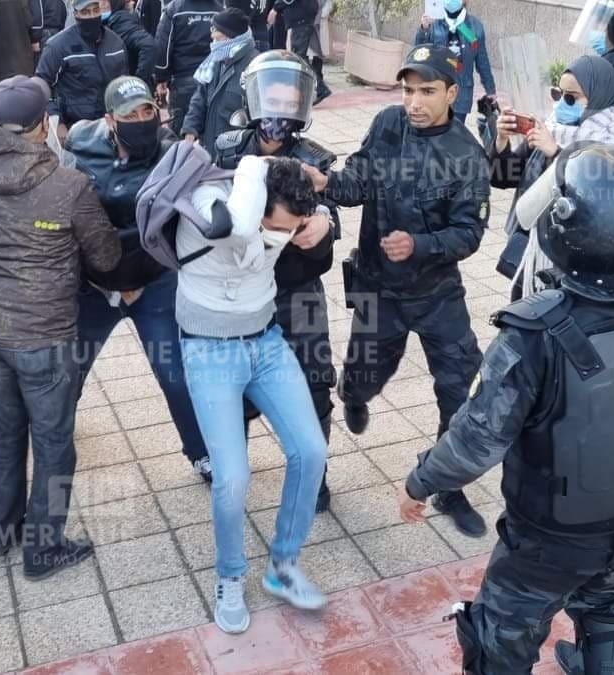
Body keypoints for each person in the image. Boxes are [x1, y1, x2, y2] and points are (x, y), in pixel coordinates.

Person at [399, 142, 614, 675]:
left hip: (549, 538)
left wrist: (420, 481)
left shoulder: (535, 332)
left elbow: (476, 443)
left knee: (500, 637)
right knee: (607, 611)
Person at [306, 45, 491, 538]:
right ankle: (353, 391)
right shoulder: (387, 124)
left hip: (436, 294)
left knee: (460, 389)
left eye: (427, 91)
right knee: (368, 373)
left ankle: (448, 485)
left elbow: (469, 234)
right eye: (408, 89)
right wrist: (325, 182)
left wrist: (421, 245)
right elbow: (356, 186)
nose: (414, 101)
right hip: (377, 288)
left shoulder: (466, 155)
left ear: (452, 92)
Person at [0, 75, 120, 578]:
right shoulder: (67, 185)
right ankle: (43, 548)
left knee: (4, 432)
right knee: (52, 443)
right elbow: (107, 255)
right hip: (44, 335)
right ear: (44, 124)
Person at [176, 152, 331, 633]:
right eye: (277, 228)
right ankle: (230, 575)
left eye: (290, 230)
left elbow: (318, 213)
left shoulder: (281, 213)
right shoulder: (211, 206)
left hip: (266, 341)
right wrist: (251, 164)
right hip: (209, 350)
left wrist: (320, 218)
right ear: (255, 203)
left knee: (311, 449)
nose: (283, 239)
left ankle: (283, 567)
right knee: (232, 477)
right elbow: (237, 227)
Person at [63, 76, 213, 481]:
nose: (142, 119)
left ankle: (202, 452)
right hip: (95, 285)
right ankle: (52, 435)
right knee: (66, 371)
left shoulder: (174, 153)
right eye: (131, 114)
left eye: (148, 110)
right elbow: (64, 208)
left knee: (175, 374)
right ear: (110, 119)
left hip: (153, 281)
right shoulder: (80, 143)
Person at [211, 51, 338, 512]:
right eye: (272, 94)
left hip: (297, 290)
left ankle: (313, 479)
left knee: (315, 386)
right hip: (240, 291)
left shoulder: (314, 159)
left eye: (290, 96)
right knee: (233, 388)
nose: (279, 106)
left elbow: (329, 226)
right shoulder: (226, 148)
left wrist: (323, 222)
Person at [490, 54, 614, 300]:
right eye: (558, 93)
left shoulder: (611, 144)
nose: (562, 103)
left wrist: (555, 152)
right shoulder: (552, 127)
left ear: (598, 96)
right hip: (532, 248)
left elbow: (596, 198)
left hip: (571, 261)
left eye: (572, 97)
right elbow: (501, 178)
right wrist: (501, 139)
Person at [36, 0, 132, 137]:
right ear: (75, 13)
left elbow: (124, 82)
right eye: (85, 12)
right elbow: (42, 86)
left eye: (95, 10)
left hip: (112, 125)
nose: (92, 16)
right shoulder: (58, 46)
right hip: (75, 129)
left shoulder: (116, 43)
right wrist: (58, 122)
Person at [181, 9, 258, 150]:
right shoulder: (216, 59)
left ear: (230, 36)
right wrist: (190, 130)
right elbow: (200, 98)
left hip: (235, 153)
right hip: (210, 149)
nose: (211, 35)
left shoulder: (254, 68)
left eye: (216, 31)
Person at [414, 0, 495, 124]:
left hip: (462, 93)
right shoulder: (434, 23)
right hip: (436, 89)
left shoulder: (474, 26)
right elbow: (419, 54)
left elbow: (482, 61)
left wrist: (490, 90)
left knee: (454, 134)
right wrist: (423, 30)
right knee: (435, 132)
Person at [153, 0, 222, 133]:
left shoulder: (174, 9)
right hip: (212, 80)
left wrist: (161, 78)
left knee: (181, 135)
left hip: (183, 80)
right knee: (210, 132)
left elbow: (163, 47)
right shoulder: (219, 10)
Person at [267, 0, 331, 105]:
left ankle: (319, 88)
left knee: (299, 58)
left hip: (301, 17)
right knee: (299, 57)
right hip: (303, 16)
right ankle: (315, 88)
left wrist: (275, 8)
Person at [100, 0, 156, 83]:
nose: (100, 4)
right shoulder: (108, 21)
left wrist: (138, 82)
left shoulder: (120, 21)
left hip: (127, 88)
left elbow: (148, 46)